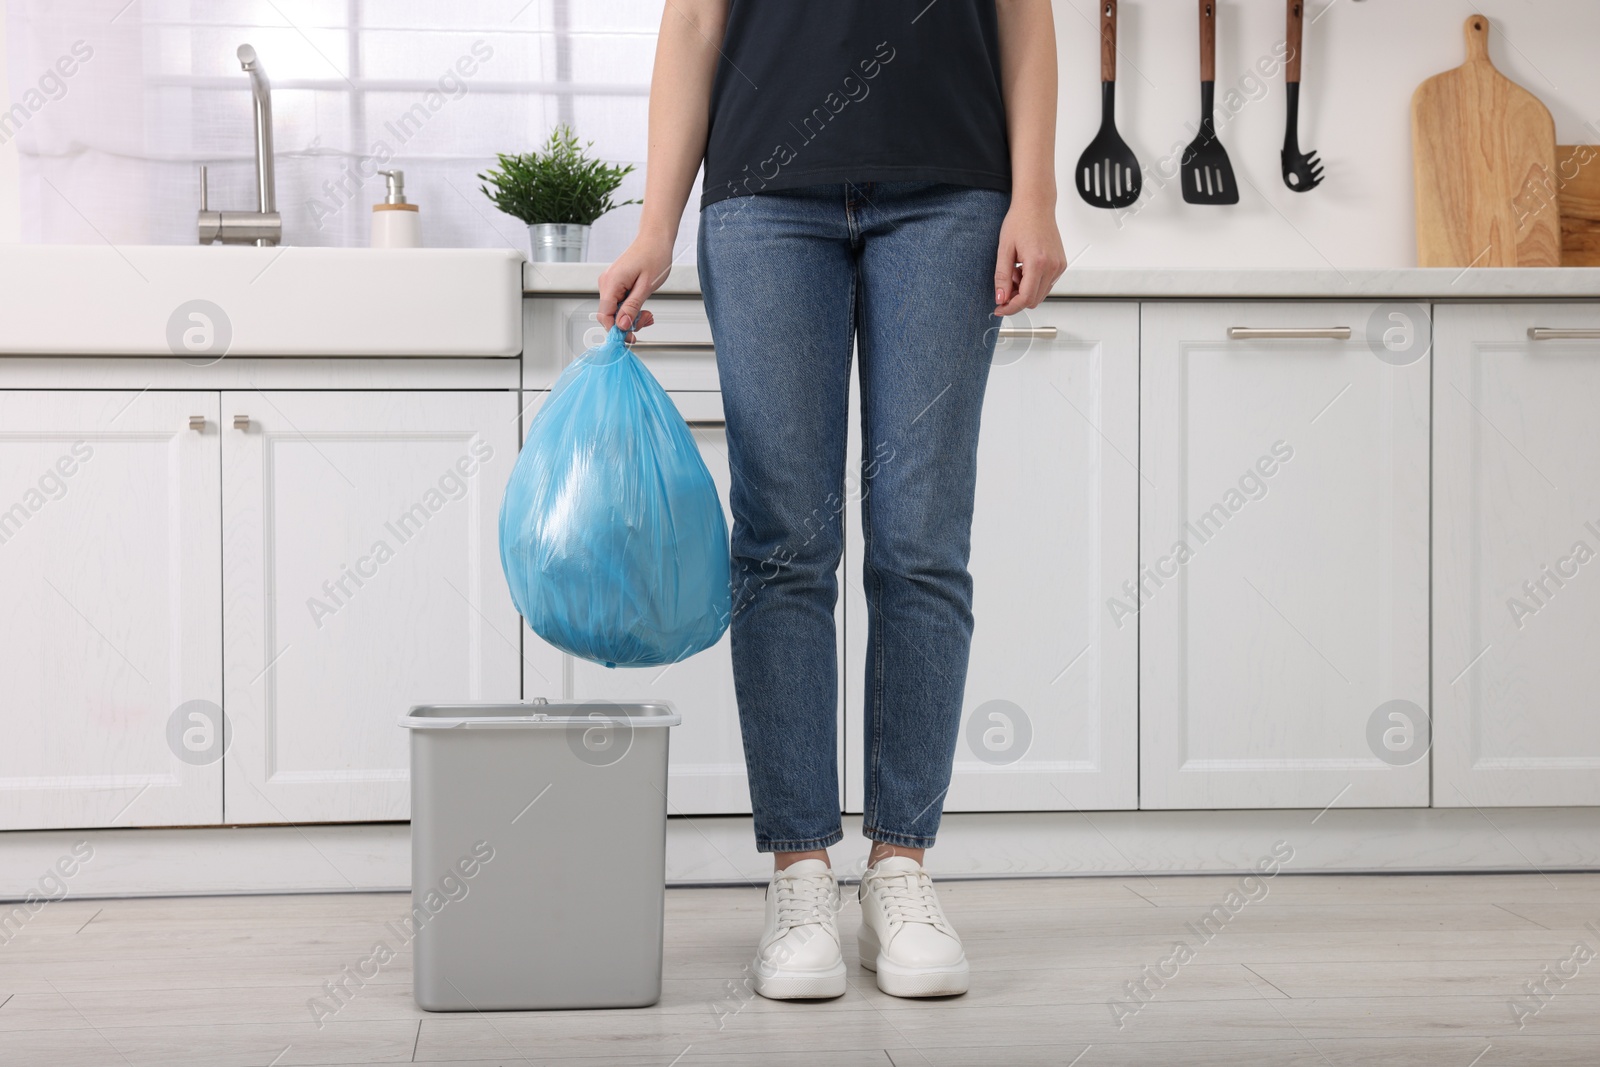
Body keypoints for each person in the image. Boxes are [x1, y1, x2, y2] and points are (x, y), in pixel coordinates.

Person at [598, 0, 1065, 1000]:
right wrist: (654, 226)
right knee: (780, 546)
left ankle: (899, 868)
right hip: (764, 195)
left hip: (951, 193)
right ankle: (800, 872)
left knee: (920, 541)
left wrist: (1036, 195)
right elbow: (691, 25)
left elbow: (1024, 16)